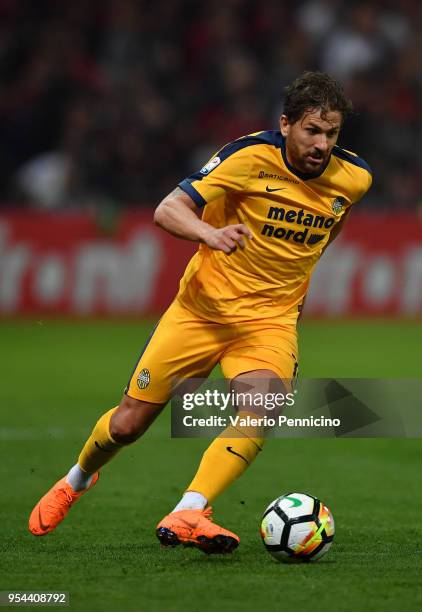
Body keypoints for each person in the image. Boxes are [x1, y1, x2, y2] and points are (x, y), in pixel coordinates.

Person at [28, 71, 372, 554]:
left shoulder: (355, 178)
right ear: (287, 124)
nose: (322, 144)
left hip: (267, 322)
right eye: (312, 130)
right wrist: (210, 235)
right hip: (200, 312)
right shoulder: (247, 157)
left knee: (261, 410)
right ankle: (76, 479)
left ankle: (191, 508)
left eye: (331, 133)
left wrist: (295, 284)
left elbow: (329, 228)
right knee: (127, 425)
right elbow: (167, 209)